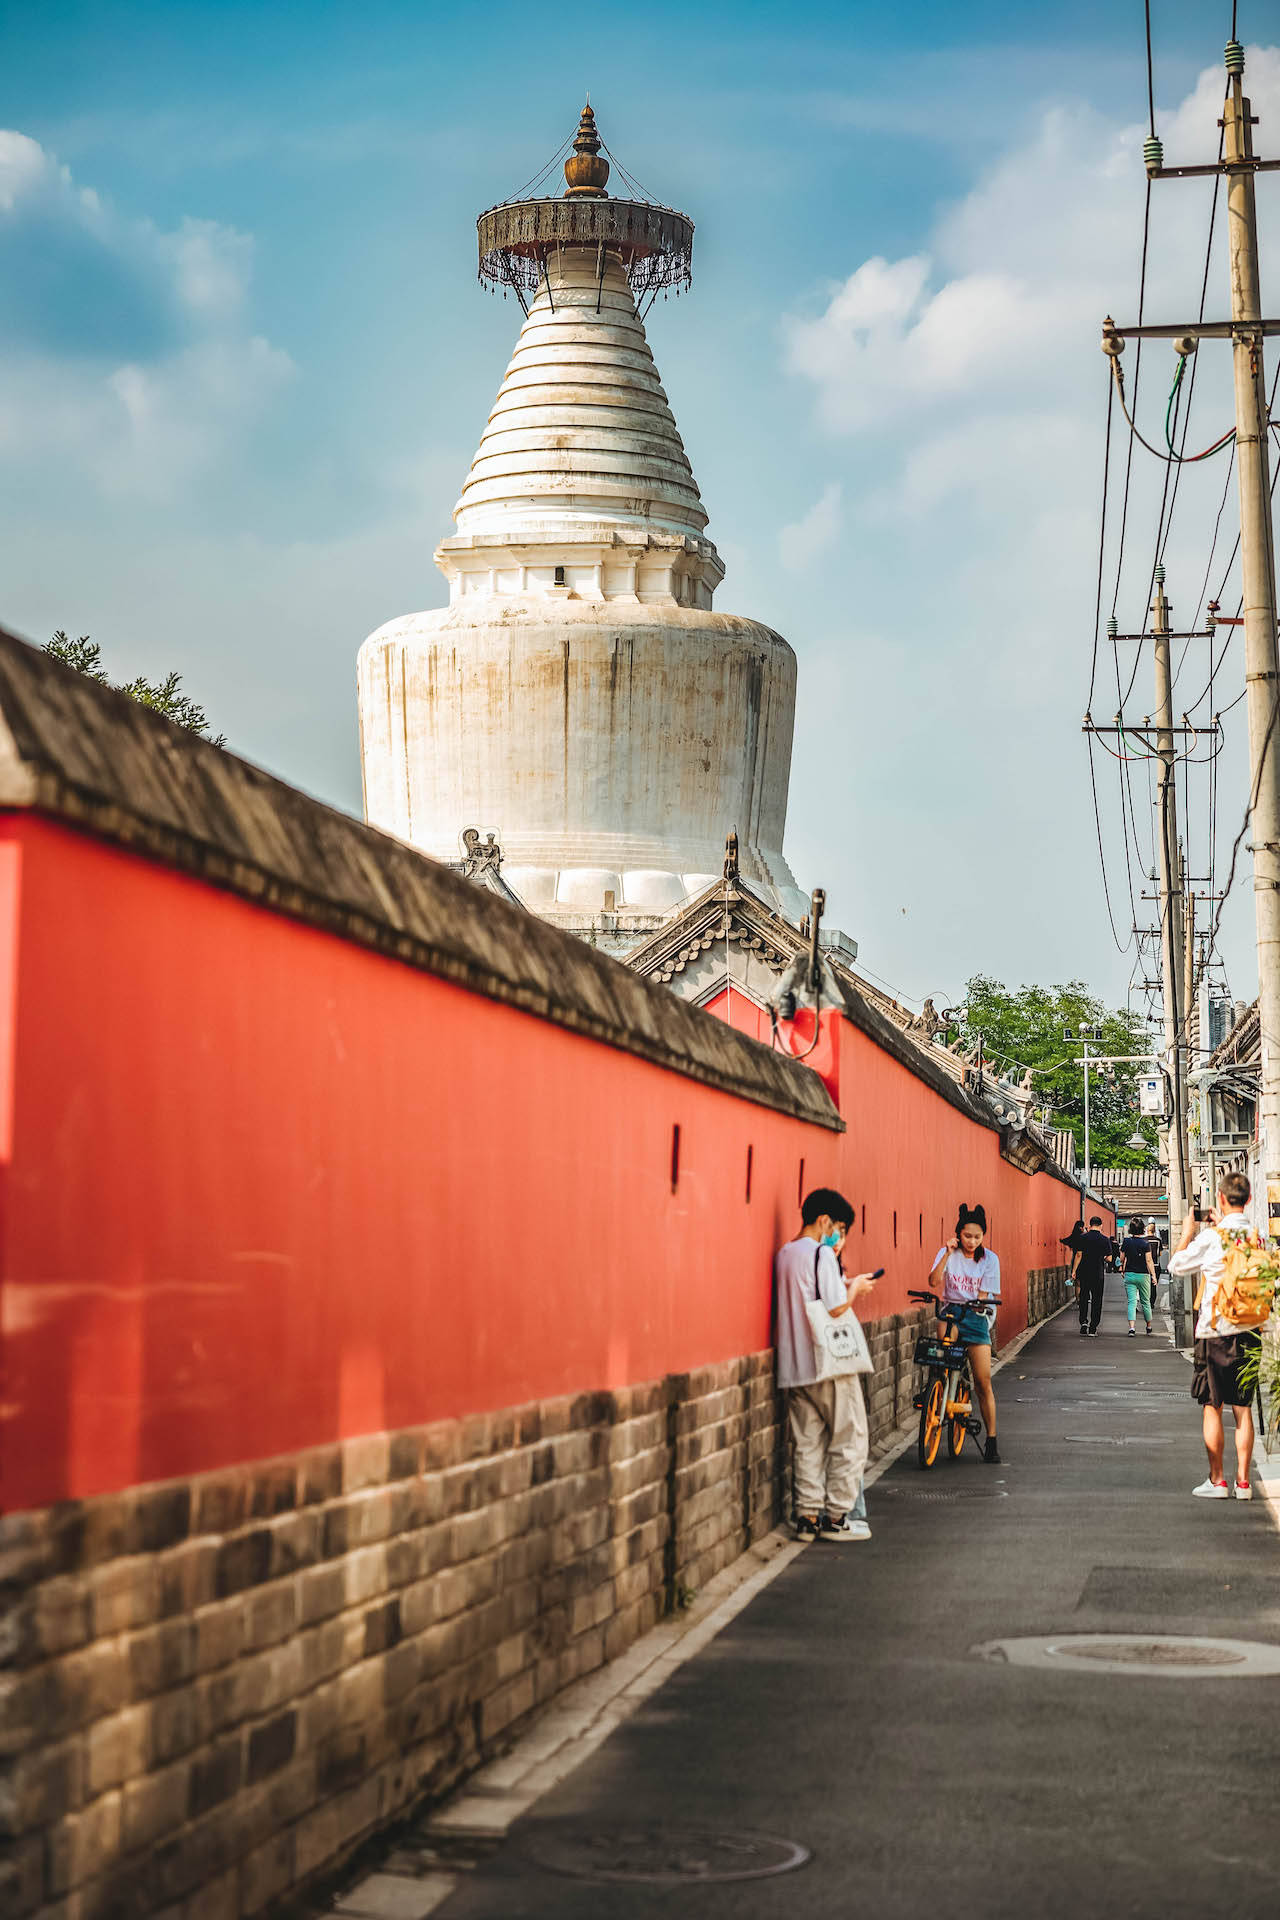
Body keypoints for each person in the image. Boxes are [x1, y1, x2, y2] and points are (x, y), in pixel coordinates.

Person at [774, 1188, 879, 1542]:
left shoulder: (785, 1254)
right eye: (837, 1228)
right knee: (850, 1437)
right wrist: (856, 1288)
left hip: (794, 1365)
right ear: (824, 1221)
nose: (837, 1236)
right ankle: (836, 1518)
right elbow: (835, 1308)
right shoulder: (821, 1252)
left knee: (807, 1442)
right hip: (829, 1363)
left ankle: (806, 1517)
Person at [1168, 1171, 1260, 1501]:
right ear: (1249, 1199)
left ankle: (1218, 1480)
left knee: (1212, 1404)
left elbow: (1176, 1266)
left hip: (1214, 1331)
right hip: (1250, 1330)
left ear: (1220, 1199)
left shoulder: (1212, 1238)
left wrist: (1188, 1233)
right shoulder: (1257, 1237)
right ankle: (1244, 1483)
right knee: (1243, 1408)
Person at [926, 1202, 1002, 1463]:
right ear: (958, 1233)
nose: (971, 1241)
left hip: (976, 1315)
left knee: (983, 1381)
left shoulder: (990, 1259)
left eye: (977, 1237)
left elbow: (983, 1295)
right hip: (951, 1311)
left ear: (983, 1236)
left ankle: (991, 1440)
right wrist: (947, 1254)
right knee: (942, 1356)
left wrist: (976, 1304)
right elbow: (933, 1281)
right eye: (967, 1236)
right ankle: (938, 1388)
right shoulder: (948, 1252)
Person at [1071, 1215, 1115, 1337]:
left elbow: (1078, 1255)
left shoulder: (1082, 1238)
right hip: (1098, 1274)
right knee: (1097, 1300)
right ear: (1101, 1225)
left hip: (1084, 1273)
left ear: (1090, 1225)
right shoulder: (1105, 1239)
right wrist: (1102, 1257)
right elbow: (1110, 1258)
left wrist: (1074, 1271)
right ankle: (1093, 1327)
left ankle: (1083, 1322)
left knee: (1083, 1298)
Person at [1120, 1215, 1158, 1336]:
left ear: (1130, 1229)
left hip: (1130, 1274)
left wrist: (1122, 1268)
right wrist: (1153, 1276)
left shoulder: (1126, 1242)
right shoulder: (1145, 1243)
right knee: (1145, 1302)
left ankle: (1132, 1328)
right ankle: (1148, 1326)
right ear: (1142, 1229)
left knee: (1132, 1302)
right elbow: (1149, 1261)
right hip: (1143, 1275)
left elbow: (1122, 1258)